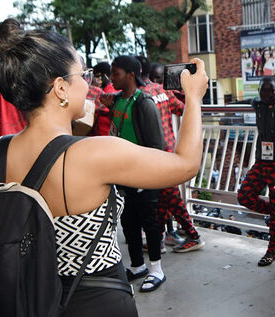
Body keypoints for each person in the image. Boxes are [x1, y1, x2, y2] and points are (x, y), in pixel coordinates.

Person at [0, 18, 207, 315]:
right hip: (96, 300)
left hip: (28, 296)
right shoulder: (95, 153)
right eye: (83, 75)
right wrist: (193, 98)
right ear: (61, 88)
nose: (89, 83)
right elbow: (186, 164)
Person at [107, 55, 168, 292]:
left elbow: (156, 144)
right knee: (128, 221)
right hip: (123, 175)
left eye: (116, 73)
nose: (112, 78)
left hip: (143, 174)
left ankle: (156, 269)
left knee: (149, 222)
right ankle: (137, 265)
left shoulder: (144, 102)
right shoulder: (118, 101)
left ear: (131, 74)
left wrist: (147, 173)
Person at [136, 55, 204, 253]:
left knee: (170, 196)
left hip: (153, 154)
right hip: (169, 150)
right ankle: (158, 240)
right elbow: (181, 109)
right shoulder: (162, 90)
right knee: (163, 197)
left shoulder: (139, 96)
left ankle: (193, 235)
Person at [237, 76, 275, 266]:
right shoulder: (257, 104)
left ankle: (272, 250)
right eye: (264, 90)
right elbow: (239, 102)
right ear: (259, 91)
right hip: (261, 162)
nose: (267, 93)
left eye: (272, 89)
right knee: (244, 196)